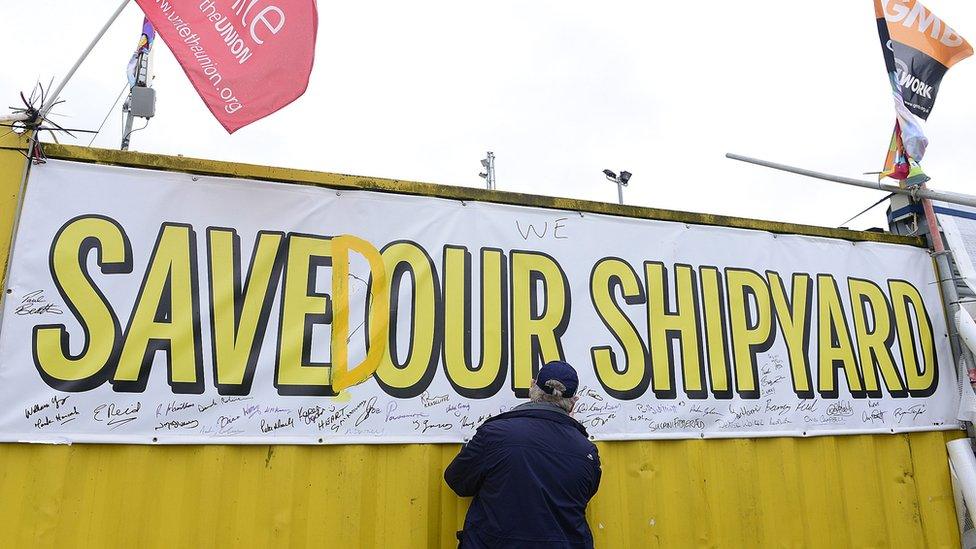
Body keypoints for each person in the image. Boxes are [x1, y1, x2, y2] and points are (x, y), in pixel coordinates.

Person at [444, 360, 602, 548]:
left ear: (532, 386)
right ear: (573, 402)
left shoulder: (495, 434)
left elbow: (458, 482)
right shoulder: (586, 451)